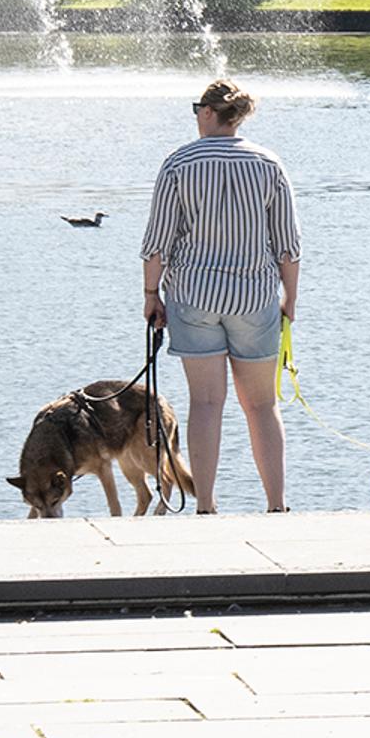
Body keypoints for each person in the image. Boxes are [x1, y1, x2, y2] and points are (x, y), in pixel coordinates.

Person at [137, 79, 300, 516]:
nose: (195, 116)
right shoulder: (268, 164)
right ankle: (276, 506)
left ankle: (206, 507)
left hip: (194, 299)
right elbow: (288, 246)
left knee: (206, 404)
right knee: (262, 406)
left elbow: (156, 245)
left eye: (197, 108)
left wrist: (152, 295)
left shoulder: (178, 164)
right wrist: (291, 301)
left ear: (209, 113)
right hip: (255, 297)